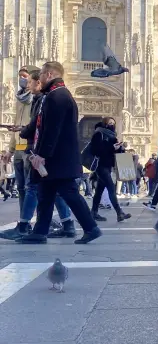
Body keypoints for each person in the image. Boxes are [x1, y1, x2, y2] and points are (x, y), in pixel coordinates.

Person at [17, 62, 101, 245]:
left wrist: (43, 154)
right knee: (45, 194)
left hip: (58, 158)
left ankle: (91, 228)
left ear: (48, 74)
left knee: (69, 193)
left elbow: (52, 129)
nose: (38, 80)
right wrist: (24, 132)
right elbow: (42, 125)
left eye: (40, 76)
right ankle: (39, 232)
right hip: (57, 157)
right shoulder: (56, 95)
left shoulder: (58, 96)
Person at [7, 65, 39, 215]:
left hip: (30, 146)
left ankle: (36, 220)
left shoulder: (37, 99)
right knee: (20, 187)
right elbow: (15, 123)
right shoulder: (20, 98)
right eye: (20, 75)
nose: (22, 79)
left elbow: (36, 124)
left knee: (31, 186)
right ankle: (23, 219)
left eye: (25, 76)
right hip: (19, 149)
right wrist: (10, 150)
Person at [89, 117, 132, 223]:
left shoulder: (113, 136)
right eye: (109, 123)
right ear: (104, 124)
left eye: (113, 123)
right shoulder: (98, 133)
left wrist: (120, 147)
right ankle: (119, 212)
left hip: (108, 166)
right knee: (111, 188)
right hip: (101, 166)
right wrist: (112, 147)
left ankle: (93, 213)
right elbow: (96, 150)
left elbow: (113, 151)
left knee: (99, 191)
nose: (112, 125)